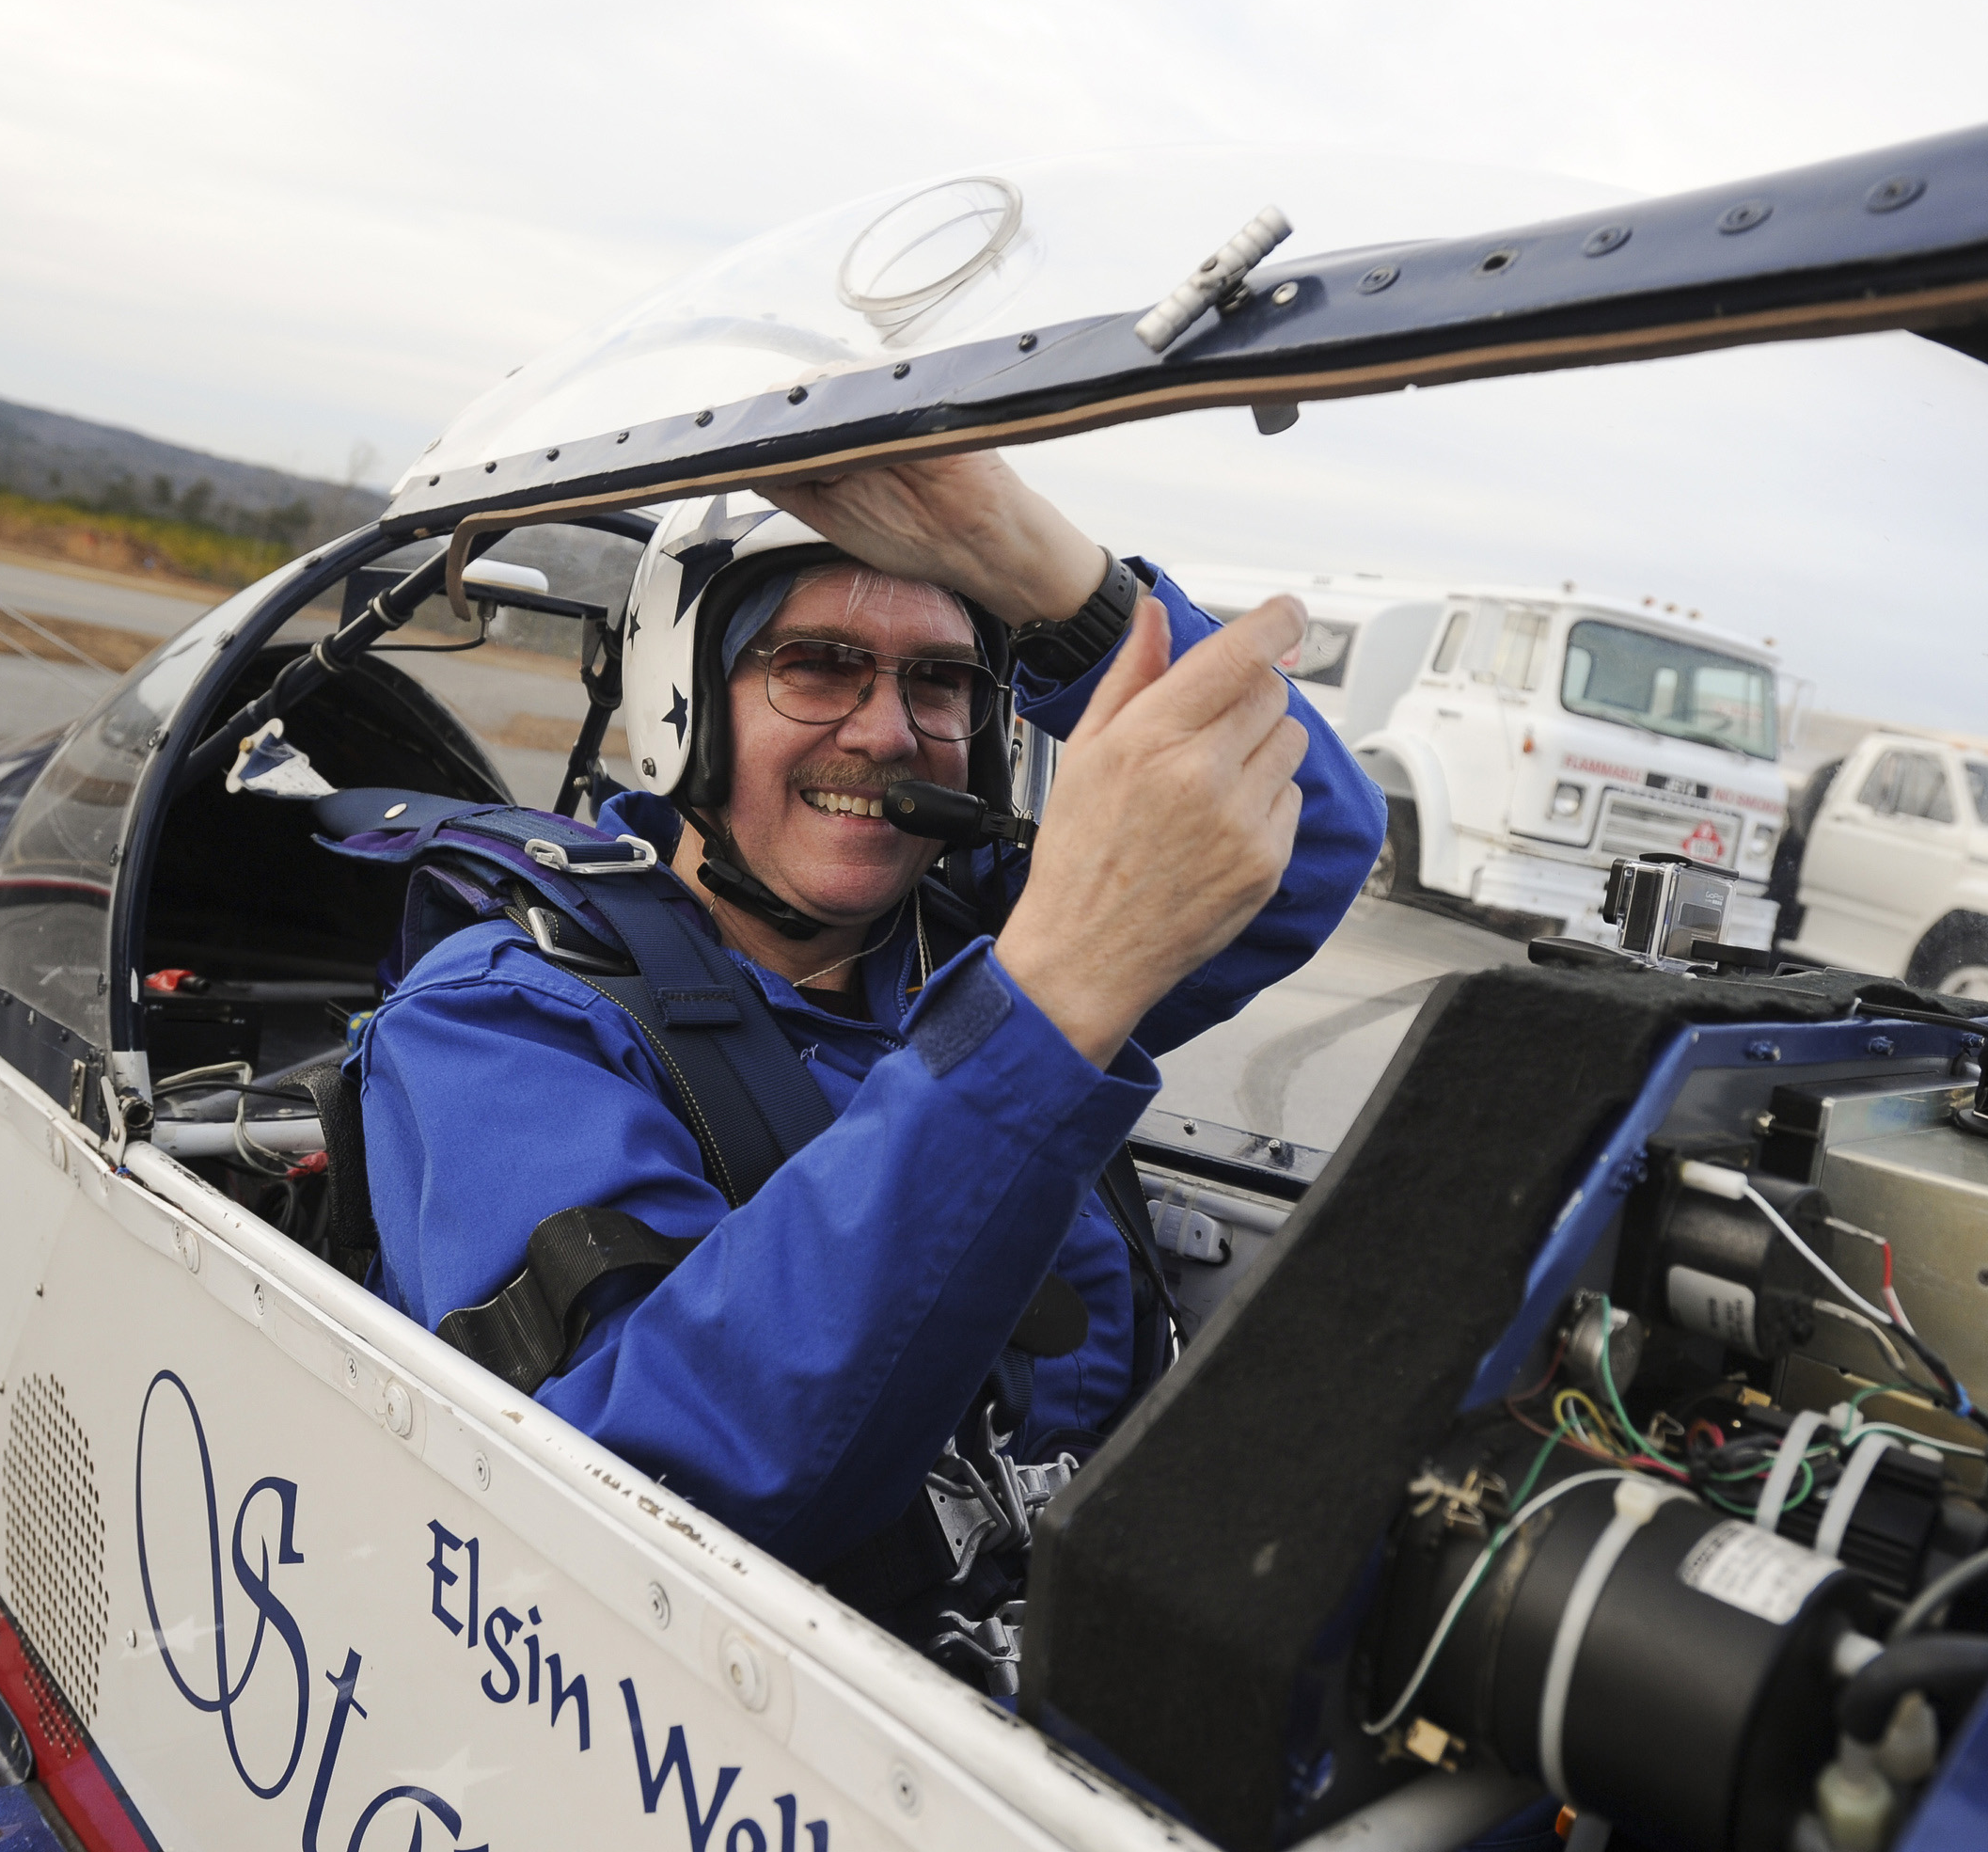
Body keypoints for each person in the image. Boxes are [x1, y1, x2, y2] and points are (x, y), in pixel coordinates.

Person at [351, 451, 1381, 1654]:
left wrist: (1054, 579)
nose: (888, 731)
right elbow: (639, 1486)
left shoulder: (982, 938)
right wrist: (1041, 1011)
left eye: (940, 681)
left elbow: (1304, 832)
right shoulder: (505, 1021)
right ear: (681, 696)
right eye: (818, 665)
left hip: (1095, 1629)